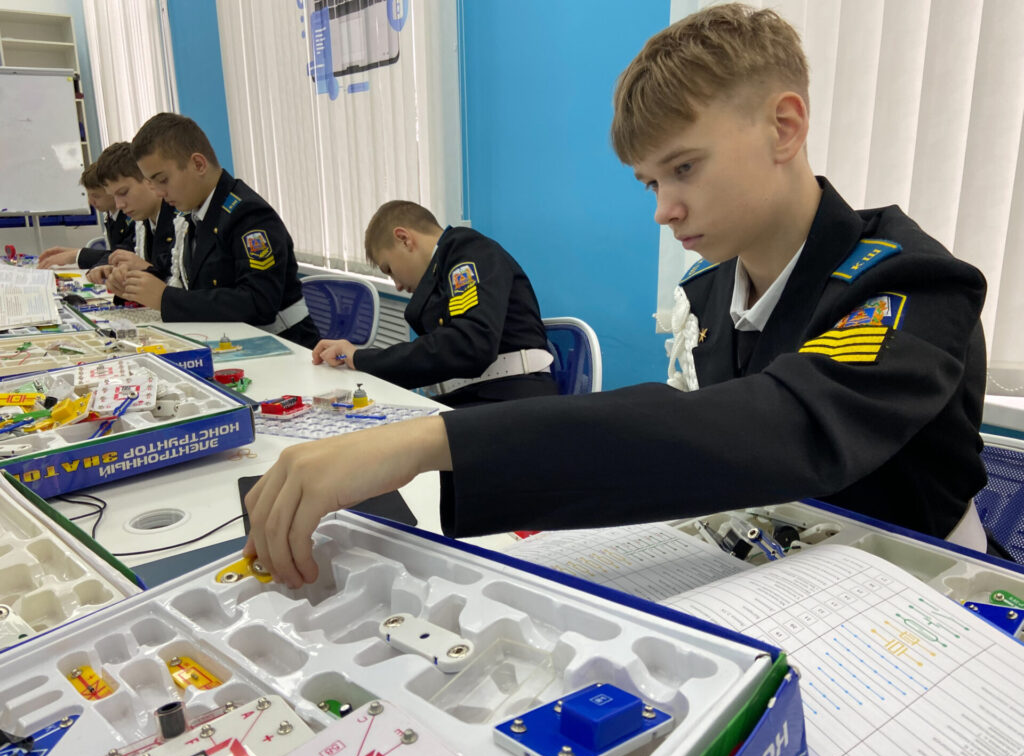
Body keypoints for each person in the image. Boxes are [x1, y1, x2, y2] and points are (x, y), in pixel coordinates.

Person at [244, 3, 989, 588]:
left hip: (916, 593)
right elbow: (691, 446)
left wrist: (426, 443)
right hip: (771, 570)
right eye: (650, 182)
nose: (664, 209)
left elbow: (775, 426)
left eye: (684, 168)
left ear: (783, 127)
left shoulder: (910, 280)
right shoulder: (710, 291)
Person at [312, 201, 558, 407]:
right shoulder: (447, 266)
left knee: (389, 437)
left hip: (513, 398)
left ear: (404, 239)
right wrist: (359, 358)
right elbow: (440, 351)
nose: (397, 285)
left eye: (390, 269)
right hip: (482, 395)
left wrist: (361, 358)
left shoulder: (470, 251)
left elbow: (469, 343)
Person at [116, 113, 319, 348]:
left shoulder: (247, 215)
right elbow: (195, 285)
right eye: (152, 183)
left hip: (284, 344)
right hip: (234, 341)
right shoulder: (197, 212)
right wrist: (137, 283)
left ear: (198, 164)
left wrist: (166, 298)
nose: (159, 192)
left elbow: (259, 303)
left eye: (162, 180)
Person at [85, 141, 176, 288]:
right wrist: (112, 268)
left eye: (123, 193)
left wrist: (146, 269)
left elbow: (185, 284)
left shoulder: (181, 220)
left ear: (148, 179)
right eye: (113, 196)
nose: (119, 205)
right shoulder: (143, 222)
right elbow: (123, 252)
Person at [37, 162, 135, 269]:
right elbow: (113, 254)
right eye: (88, 196)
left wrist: (77, 255)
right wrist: (75, 253)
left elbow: (122, 256)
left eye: (96, 196)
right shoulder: (110, 216)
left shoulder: (132, 217)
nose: (90, 202)